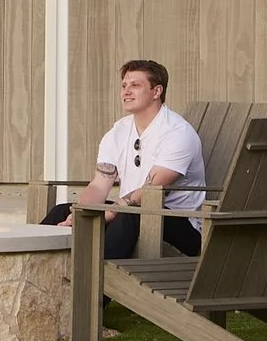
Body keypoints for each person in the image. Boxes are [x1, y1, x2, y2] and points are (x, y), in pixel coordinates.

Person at [44, 58, 205, 257]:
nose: (126, 91)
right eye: (124, 85)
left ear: (157, 92)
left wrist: (107, 214)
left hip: (180, 223)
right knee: (63, 210)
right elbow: (99, 185)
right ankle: (38, 272)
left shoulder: (177, 133)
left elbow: (150, 191)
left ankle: (97, 281)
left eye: (135, 85)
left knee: (131, 215)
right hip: (131, 213)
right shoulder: (119, 130)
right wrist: (81, 214)